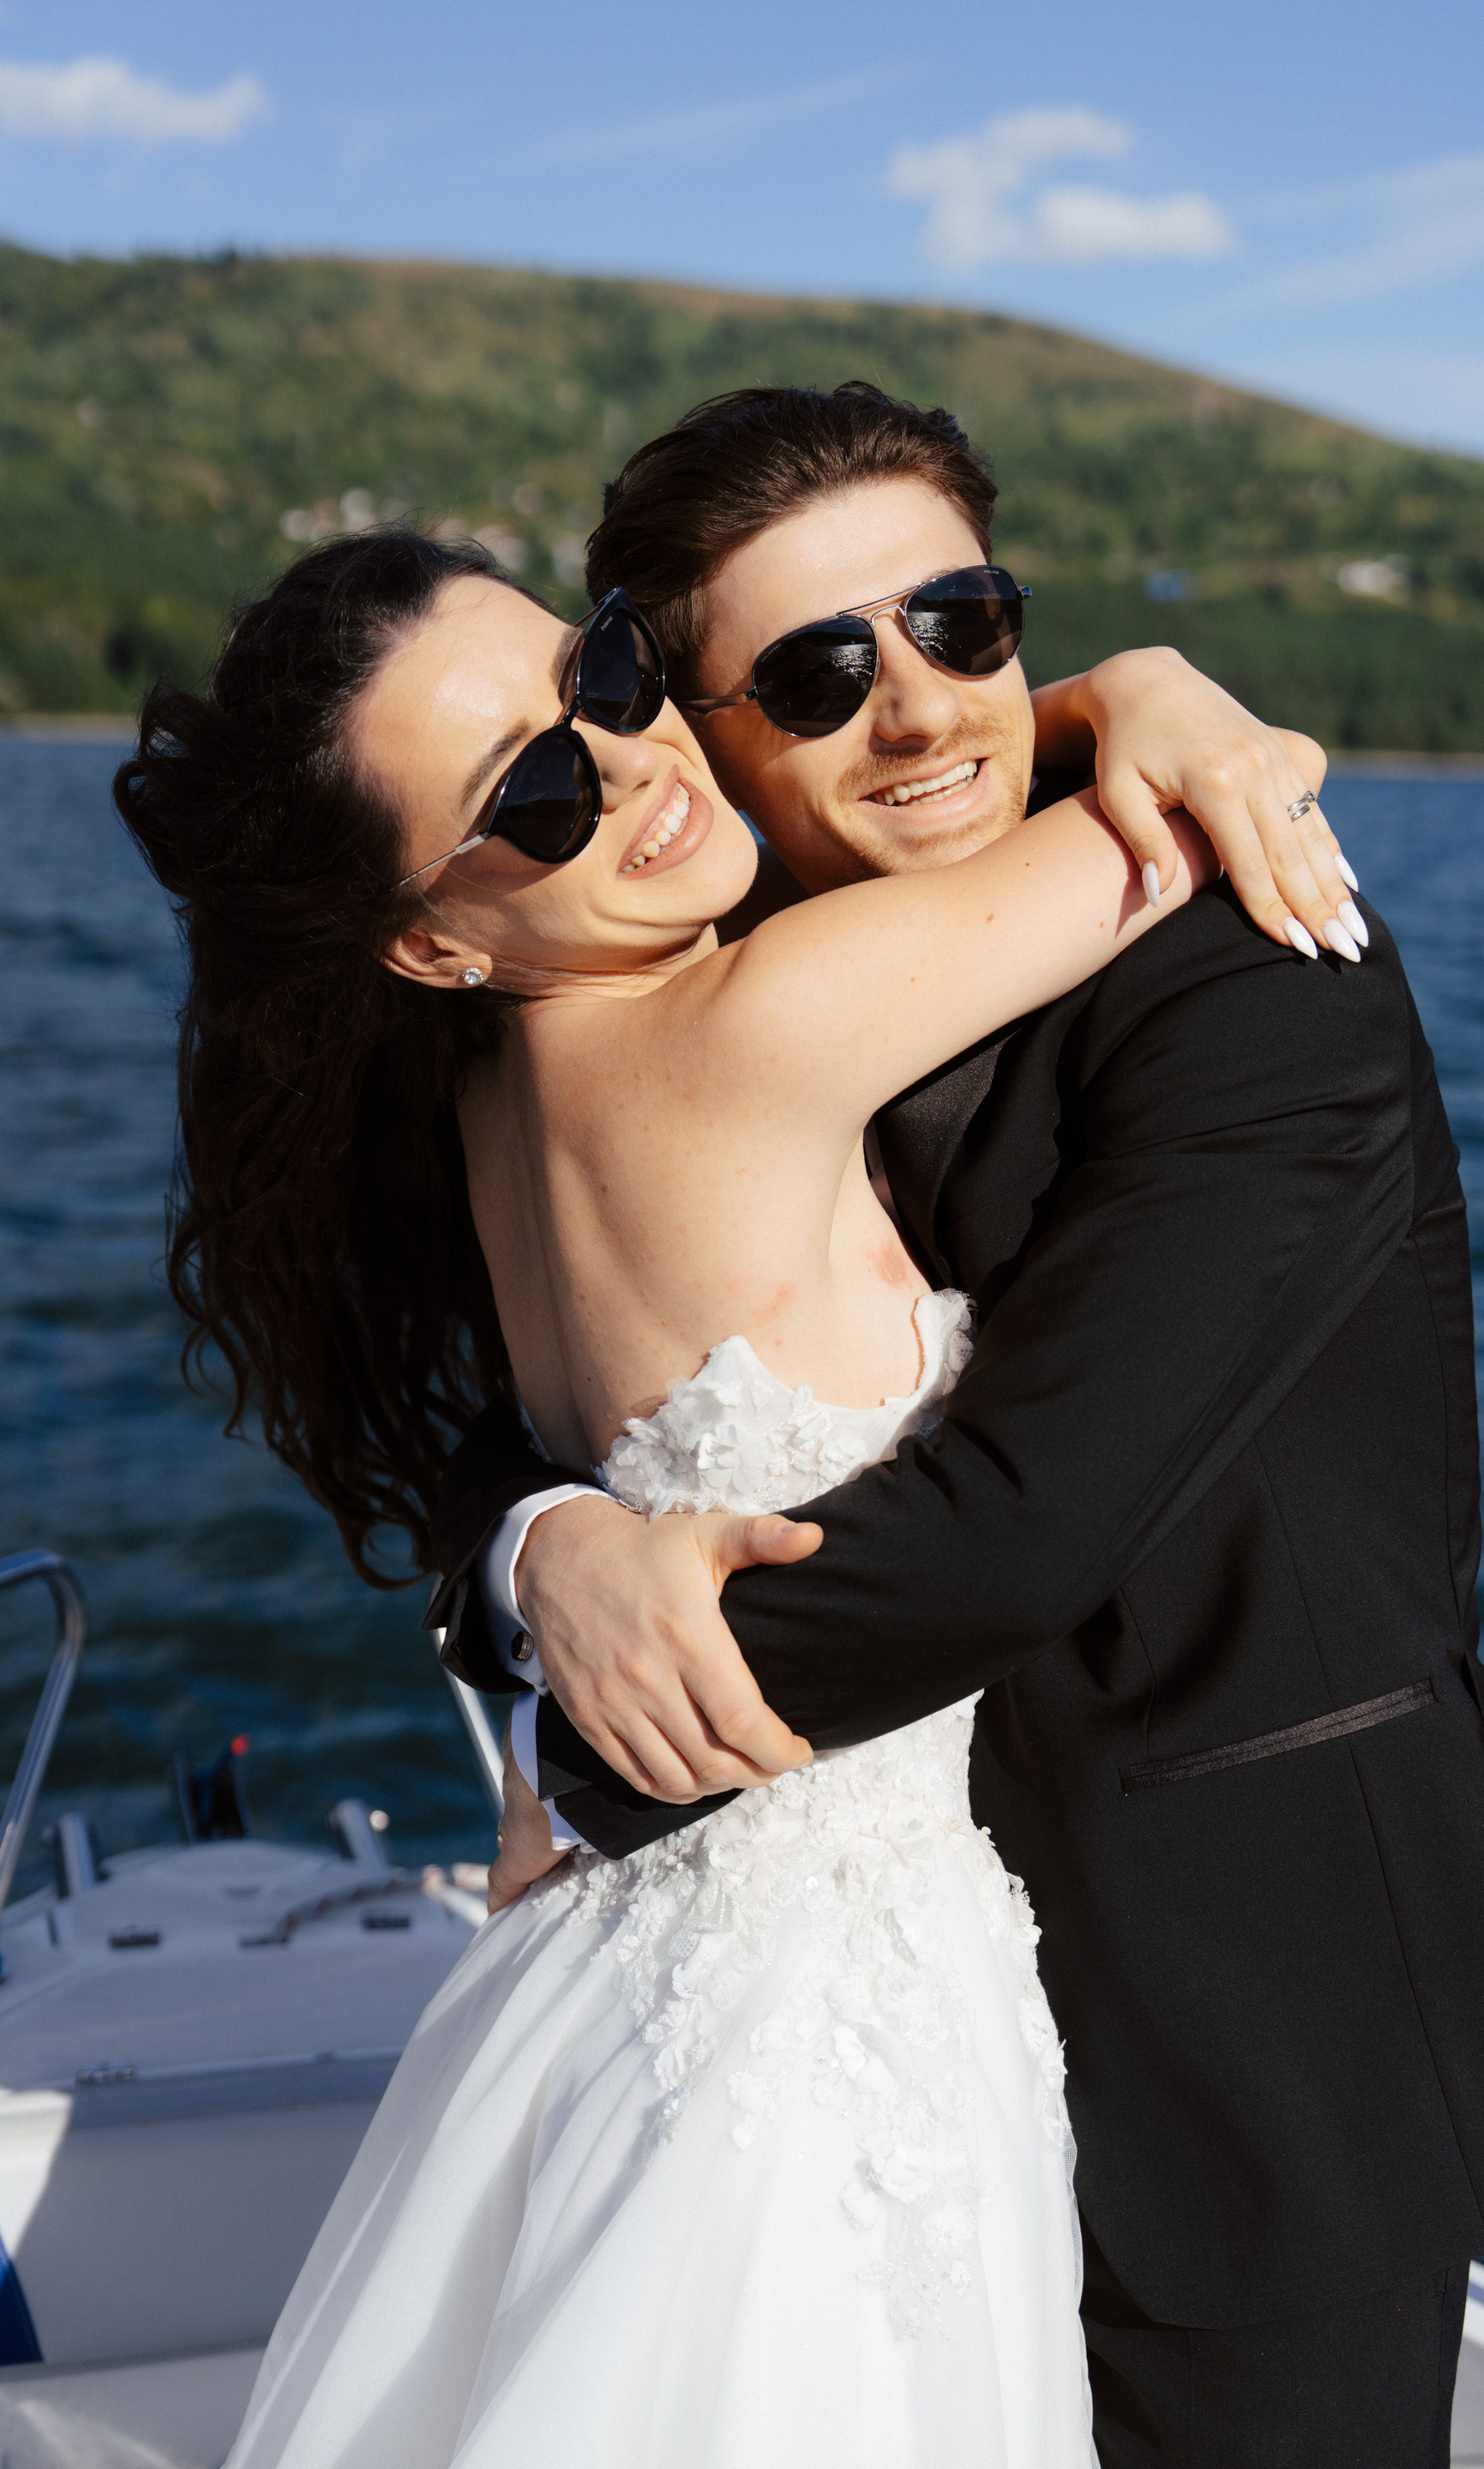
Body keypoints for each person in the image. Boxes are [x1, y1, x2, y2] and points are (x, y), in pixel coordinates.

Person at [113, 436, 1352, 2467]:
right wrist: (1144, 688)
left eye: (598, 677)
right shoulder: (758, 1024)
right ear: (431, 940)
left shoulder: (494, 1107)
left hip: (613, 1956)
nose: (627, 765)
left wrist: (535, 1558)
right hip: (828, 1982)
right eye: (530, 795)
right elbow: (1216, 809)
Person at [436, 384, 1484, 2469]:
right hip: (877, 2049)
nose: (919, 708)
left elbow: (1020, 1524)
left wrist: (582, 1756)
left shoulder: (1266, 973)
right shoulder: (692, 995)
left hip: (1257, 2037)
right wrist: (549, 1548)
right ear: (700, 735)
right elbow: (488, 1391)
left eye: (964, 624)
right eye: (819, 674)